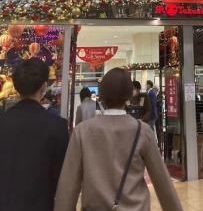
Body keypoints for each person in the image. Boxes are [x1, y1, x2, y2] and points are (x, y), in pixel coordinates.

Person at [54, 68, 183, 211]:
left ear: (101, 95)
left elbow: (68, 187)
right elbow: (163, 183)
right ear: (129, 95)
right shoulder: (142, 131)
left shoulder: (82, 132)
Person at [0, 58, 69, 211]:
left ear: (16, 87)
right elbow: (62, 177)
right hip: (40, 204)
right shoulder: (57, 126)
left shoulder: (3, 121)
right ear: (43, 86)